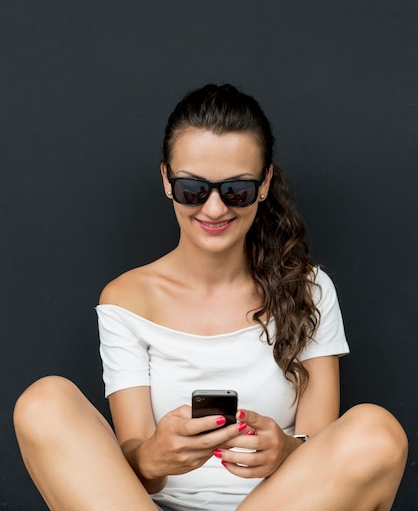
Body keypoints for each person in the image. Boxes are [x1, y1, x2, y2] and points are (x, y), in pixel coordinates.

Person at [14, 84, 407, 511]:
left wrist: (287, 450)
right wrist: (154, 453)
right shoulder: (127, 298)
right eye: (193, 189)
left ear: (264, 183)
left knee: (376, 429)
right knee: (43, 402)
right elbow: (134, 467)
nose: (215, 209)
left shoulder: (308, 288)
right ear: (167, 180)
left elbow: (325, 452)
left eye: (235, 190)